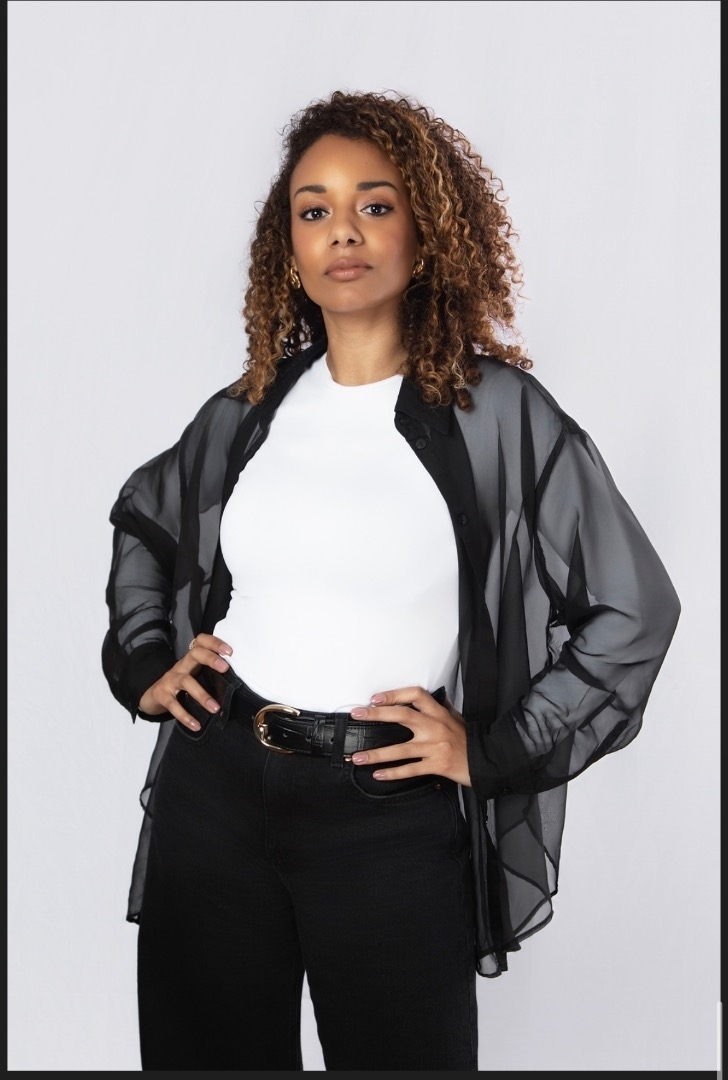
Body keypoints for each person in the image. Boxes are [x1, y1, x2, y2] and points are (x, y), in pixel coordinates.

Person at [101, 89, 680, 1071]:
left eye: (374, 204)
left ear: (425, 232)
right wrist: (146, 661)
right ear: (288, 248)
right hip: (217, 792)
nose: (343, 232)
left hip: (386, 812)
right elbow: (147, 520)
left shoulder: (498, 415)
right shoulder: (250, 409)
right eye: (314, 209)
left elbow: (633, 609)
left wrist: (492, 748)